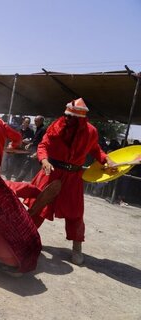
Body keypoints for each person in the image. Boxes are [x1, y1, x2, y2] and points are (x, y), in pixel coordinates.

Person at [25, 98, 116, 265]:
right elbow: (43, 145)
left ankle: (77, 247)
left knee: (75, 213)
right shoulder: (56, 126)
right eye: (66, 115)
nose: (67, 119)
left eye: (71, 117)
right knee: (39, 206)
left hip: (73, 177)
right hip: (51, 172)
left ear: (81, 119)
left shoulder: (91, 132)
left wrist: (107, 160)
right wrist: (44, 160)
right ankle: (24, 236)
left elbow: (96, 150)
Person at [16, 115, 47, 182]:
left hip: (37, 154)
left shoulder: (43, 130)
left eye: (36, 121)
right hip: (32, 152)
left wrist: (37, 153)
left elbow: (43, 143)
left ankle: (34, 187)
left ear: (41, 121)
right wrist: (30, 144)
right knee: (25, 168)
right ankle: (17, 182)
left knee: (34, 172)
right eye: (35, 121)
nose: (35, 122)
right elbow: (35, 141)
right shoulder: (38, 129)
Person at [5, 116, 34, 181]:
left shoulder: (31, 131)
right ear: (23, 121)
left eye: (28, 122)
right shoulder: (17, 129)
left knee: (19, 165)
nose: (27, 123)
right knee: (11, 164)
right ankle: (8, 178)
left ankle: (16, 180)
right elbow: (11, 137)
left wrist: (28, 141)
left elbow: (32, 140)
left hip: (23, 151)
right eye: (26, 122)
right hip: (15, 149)